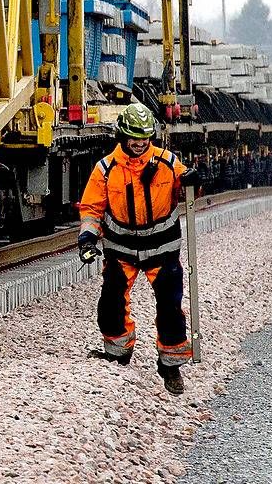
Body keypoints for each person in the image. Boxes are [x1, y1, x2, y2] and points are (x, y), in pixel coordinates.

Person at [77, 102, 201, 394]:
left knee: (170, 306)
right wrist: (87, 238)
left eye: (144, 137)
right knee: (111, 303)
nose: (139, 143)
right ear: (122, 136)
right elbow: (92, 208)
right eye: (134, 137)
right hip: (121, 250)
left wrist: (194, 181)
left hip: (162, 247)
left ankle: (170, 365)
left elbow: (189, 191)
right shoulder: (106, 169)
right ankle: (117, 353)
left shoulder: (169, 162)